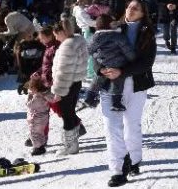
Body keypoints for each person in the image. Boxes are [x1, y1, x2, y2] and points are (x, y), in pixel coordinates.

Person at [99, 0, 157, 187]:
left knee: (131, 126)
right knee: (111, 127)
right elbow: (96, 50)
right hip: (109, 84)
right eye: (129, 7)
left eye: (136, 8)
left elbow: (146, 62)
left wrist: (122, 72)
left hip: (135, 84)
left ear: (142, 13)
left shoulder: (147, 33)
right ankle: (118, 169)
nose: (130, 10)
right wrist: (101, 69)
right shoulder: (114, 28)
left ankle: (134, 159)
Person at [51, 20, 88, 156]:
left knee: (66, 114)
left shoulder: (68, 46)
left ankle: (70, 146)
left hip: (66, 85)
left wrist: (58, 91)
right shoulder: (78, 41)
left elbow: (64, 72)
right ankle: (73, 141)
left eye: (56, 35)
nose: (55, 38)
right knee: (70, 112)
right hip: (76, 82)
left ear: (61, 32)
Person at [84, 14, 136, 111]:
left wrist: (96, 55)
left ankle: (89, 98)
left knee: (98, 79)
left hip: (103, 64)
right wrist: (132, 58)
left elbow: (88, 50)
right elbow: (127, 49)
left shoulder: (95, 37)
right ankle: (116, 103)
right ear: (110, 25)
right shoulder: (118, 36)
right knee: (118, 81)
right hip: (118, 64)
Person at [25, 77, 54, 155]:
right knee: (40, 132)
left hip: (36, 118)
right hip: (43, 117)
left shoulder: (37, 97)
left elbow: (29, 104)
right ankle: (41, 143)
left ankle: (38, 148)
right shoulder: (45, 94)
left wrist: (29, 96)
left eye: (32, 88)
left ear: (36, 88)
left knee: (34, 133)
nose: (31, 90)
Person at [72, 0, 97, 81]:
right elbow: (89, 22)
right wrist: (100, 22)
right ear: (82, 0)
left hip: (86, 31)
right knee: (90, 53)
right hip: (87, 31)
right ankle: (89, 73)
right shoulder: (80, 11)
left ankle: (88, 72)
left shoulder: (78, 8)